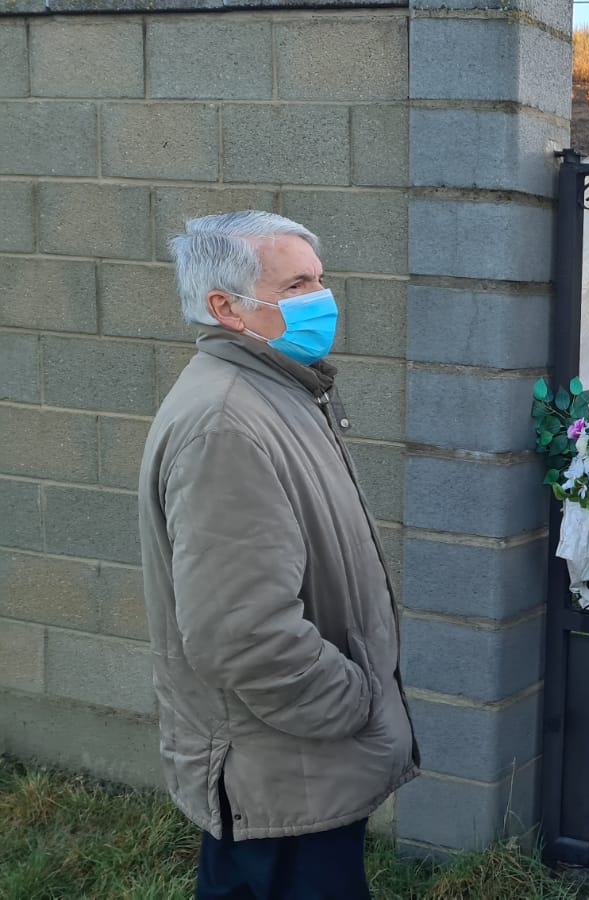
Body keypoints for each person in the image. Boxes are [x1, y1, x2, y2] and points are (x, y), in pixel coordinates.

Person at [137, 211, 417, 899]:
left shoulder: (280, 390)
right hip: (284, 777)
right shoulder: (226, 424)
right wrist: (353, 702)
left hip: (295, 770)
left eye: (319, 279)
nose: (322, 299)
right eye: (297, 284)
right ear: (225, 308)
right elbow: (242, 634)